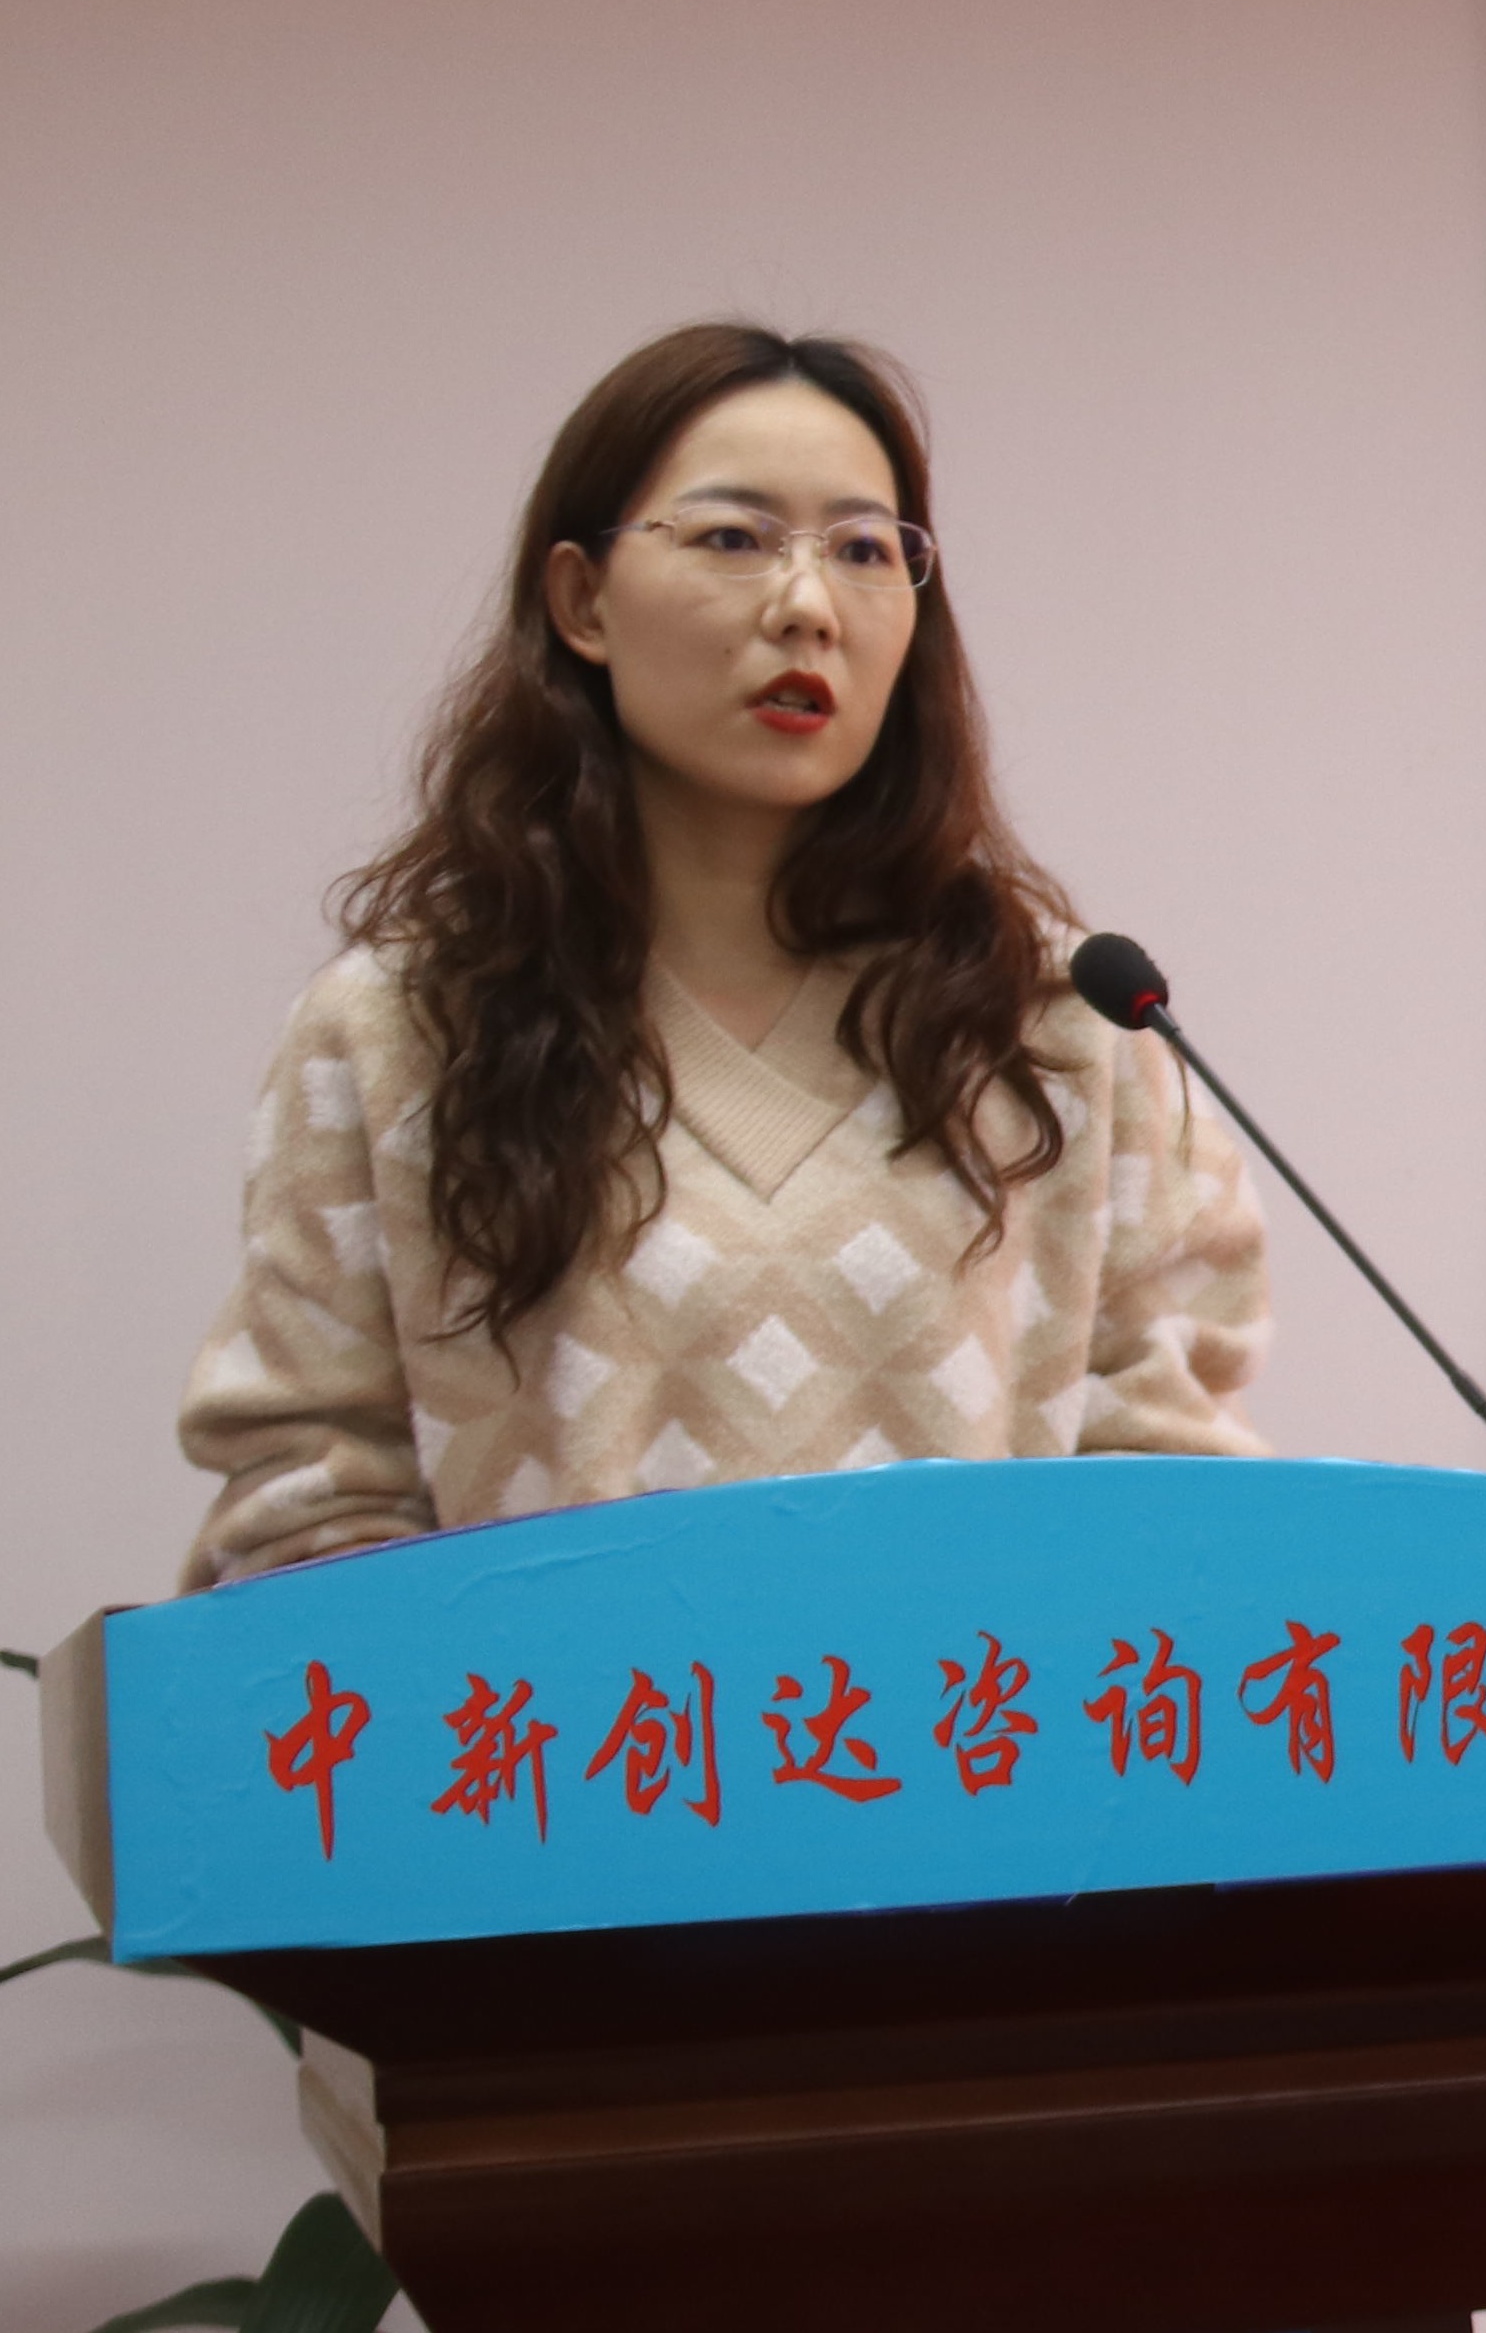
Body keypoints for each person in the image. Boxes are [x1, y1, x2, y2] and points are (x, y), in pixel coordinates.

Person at [177, 324, 1265, 1586]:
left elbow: (1173, 1515)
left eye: (864, 550)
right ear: (581, 601)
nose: (807, 605)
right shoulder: (396, 1031)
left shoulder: (1065, 1026)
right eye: (734, 537)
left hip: (967, 1717)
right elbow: (310, 1510)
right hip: (557, 1719)